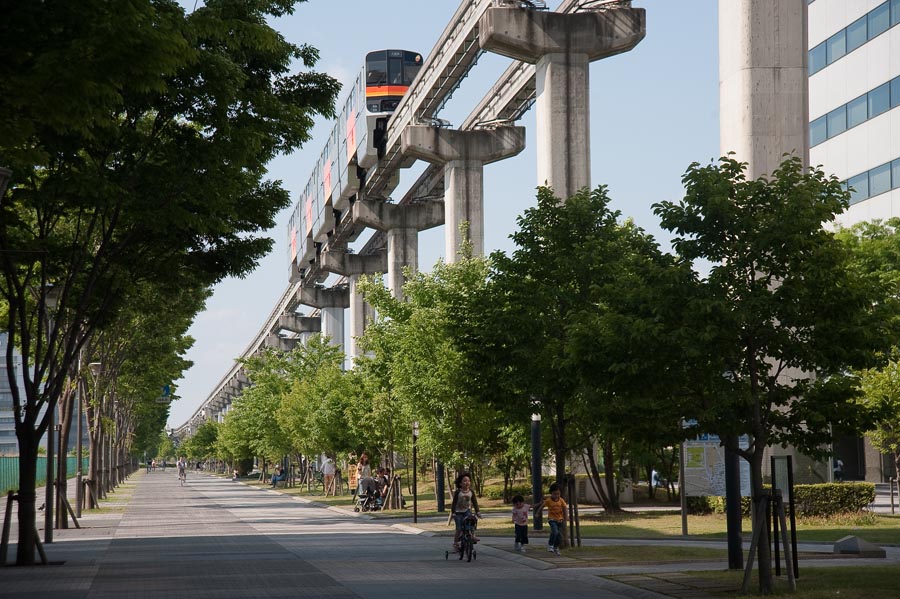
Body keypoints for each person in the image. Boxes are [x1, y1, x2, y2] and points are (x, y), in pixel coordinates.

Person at [447, 472, 480, 551]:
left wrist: (477, 512)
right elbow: (454, 503)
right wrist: (453, 513)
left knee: (472, 523)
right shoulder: (458, 492)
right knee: (459, 528)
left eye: (468, 481)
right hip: (458, 512)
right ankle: (455, 543)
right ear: (460, 483)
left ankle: (472, 536)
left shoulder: (471, 492)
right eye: (464, 481)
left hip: (466, 511)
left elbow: (475, 502)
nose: (467, 482)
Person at [535, 482, 567, 555]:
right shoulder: (548, 501)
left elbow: (565, 508)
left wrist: (566, 517)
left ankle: (556, 547)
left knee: (559, 536)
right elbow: (542, 506)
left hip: (560, 520)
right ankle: (550, 545)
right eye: (554, 494)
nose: (556, 496)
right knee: (555, 531)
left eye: (558, 494)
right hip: (552, 519)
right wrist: (537, 513)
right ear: (551, 493)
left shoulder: (561, 500)